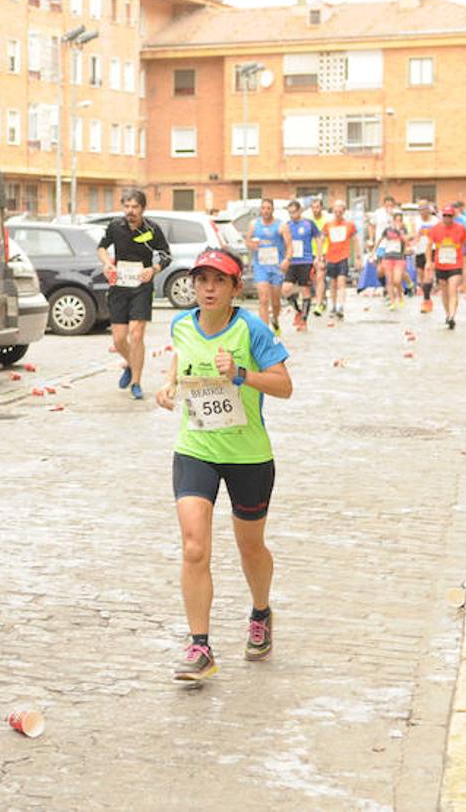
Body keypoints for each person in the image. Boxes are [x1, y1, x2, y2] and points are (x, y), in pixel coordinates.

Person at [154, 248, 292, 682]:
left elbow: (285, 386)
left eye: (219, 280)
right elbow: (181, 356)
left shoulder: (252, 329)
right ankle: (200, 646)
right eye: (201, 280)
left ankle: (260, 612)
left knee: (250, 547)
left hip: (248, 455)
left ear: (236, 288)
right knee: (194, 546)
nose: (208, 288)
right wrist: (169, 383)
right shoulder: (180, 324)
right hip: (195, 448)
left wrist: (241, 375)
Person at [97, 189, 171, 399]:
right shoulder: (115, 226)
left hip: (141, 284)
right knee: (119, 339)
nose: (130, 211)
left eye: (134, 207)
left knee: (137, 334)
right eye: (127, 206)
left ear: (142, 208)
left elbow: (166, 255)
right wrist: (106, 264)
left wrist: (153, 269)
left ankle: (136, 382)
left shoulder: (152, 229)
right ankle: (131, 364)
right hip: (119, 285)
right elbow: (102, 247)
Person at [243, 198, 289, 334]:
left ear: (272, 210)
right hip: (260, 266)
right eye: (263, 208)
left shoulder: (281, 225)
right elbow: (247, 241)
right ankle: (264, 332)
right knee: (263, 299)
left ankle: (275, 318)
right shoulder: (254, 224)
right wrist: (252, 244)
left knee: (275, 302)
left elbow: (290, 245)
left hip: (276, 267)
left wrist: (287, 259)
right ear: (260, 209)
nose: (266, 211)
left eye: (268, 208)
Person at [427, 204, 466, 329]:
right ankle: (447, 314)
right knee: (444, 293)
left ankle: (452, 316)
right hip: (440, 265)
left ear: (453, 216)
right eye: (445, 216)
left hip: (455, 264)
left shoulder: (460, 228)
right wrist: (428, 262)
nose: (447, 218)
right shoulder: (435, 229)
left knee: (453, 290)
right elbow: (429, 246)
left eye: (449, 216)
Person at [281, 200, 320, 330]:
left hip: (306, 261)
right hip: (292, 261)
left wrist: (318, 256)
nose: (292, 215)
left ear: (300, 210)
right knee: (286, 289)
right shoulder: (287, 225)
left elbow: (318, 237)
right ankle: (298, 310)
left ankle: (304, 319)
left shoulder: (308, 224)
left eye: (294, 212)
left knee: (305, 290)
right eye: (290, 213)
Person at [323, 200, 357, 318]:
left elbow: (355, 240)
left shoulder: (349, 225)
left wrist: (357, 257)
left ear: (344, 211)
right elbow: (322, 240)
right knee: (332, 283)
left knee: (341, 282)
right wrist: (321, 256)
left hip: (343, 257)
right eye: (336, 211)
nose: (338, 213)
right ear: (333, 211)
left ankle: (340, 306)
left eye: (340, 211)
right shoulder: (328, 225)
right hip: (331, 257)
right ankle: (332, 305)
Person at [378, 213, 410, 310]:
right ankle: (392, 302)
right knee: (390, 280)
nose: (398, 222)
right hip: (387, 257)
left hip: (399, 258)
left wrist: (399, 232)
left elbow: (406, 241)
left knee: (397, 280)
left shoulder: (403, 230)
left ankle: (400, 296)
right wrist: (374, 252)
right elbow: (380, 241)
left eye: (400, 220)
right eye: (396, 220)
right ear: (393, 220)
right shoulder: (387, 230)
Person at [413, 203, 438, 313]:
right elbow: (413, 234)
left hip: (432, 249)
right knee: (421, 276)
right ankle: (427, 296)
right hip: (420, 250)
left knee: (428, 273)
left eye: (425, 209)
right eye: (421, 210)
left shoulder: (435, 221)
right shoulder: (416, 221)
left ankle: (426, 299)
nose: (423, 212)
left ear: (429, 210)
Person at [308, 198, 329, 316]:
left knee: (320, 277)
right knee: (315, 279)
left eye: (317, 207)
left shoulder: (326, 220)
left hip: (324, 252)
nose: (315, 210)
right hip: (310, 252)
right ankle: (322, 298)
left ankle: (318, 303)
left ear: (321, 207)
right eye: (313, 207)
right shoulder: (308, 221)